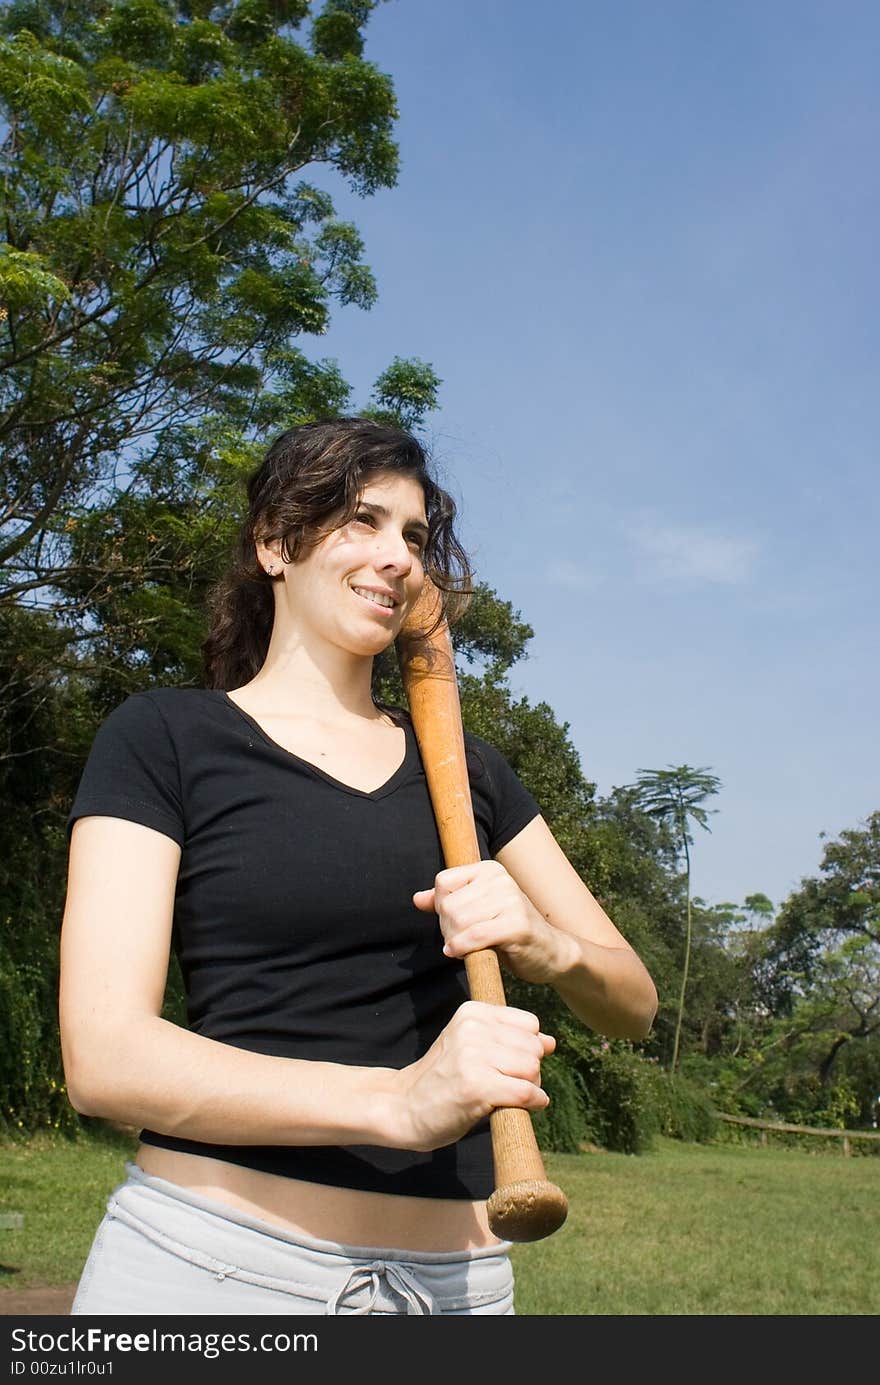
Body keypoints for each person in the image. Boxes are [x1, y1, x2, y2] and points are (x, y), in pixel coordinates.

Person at [59, 416, 658, 1317]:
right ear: (273, 543)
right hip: (216, 1270)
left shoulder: (473, 774)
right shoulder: (167, 739)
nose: (397, 557)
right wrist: (398, 1101)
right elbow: (104, 1058)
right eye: (361, 520)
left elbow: (634, 1000)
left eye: (413, 536)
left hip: (456, 1292)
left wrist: (544, 943)